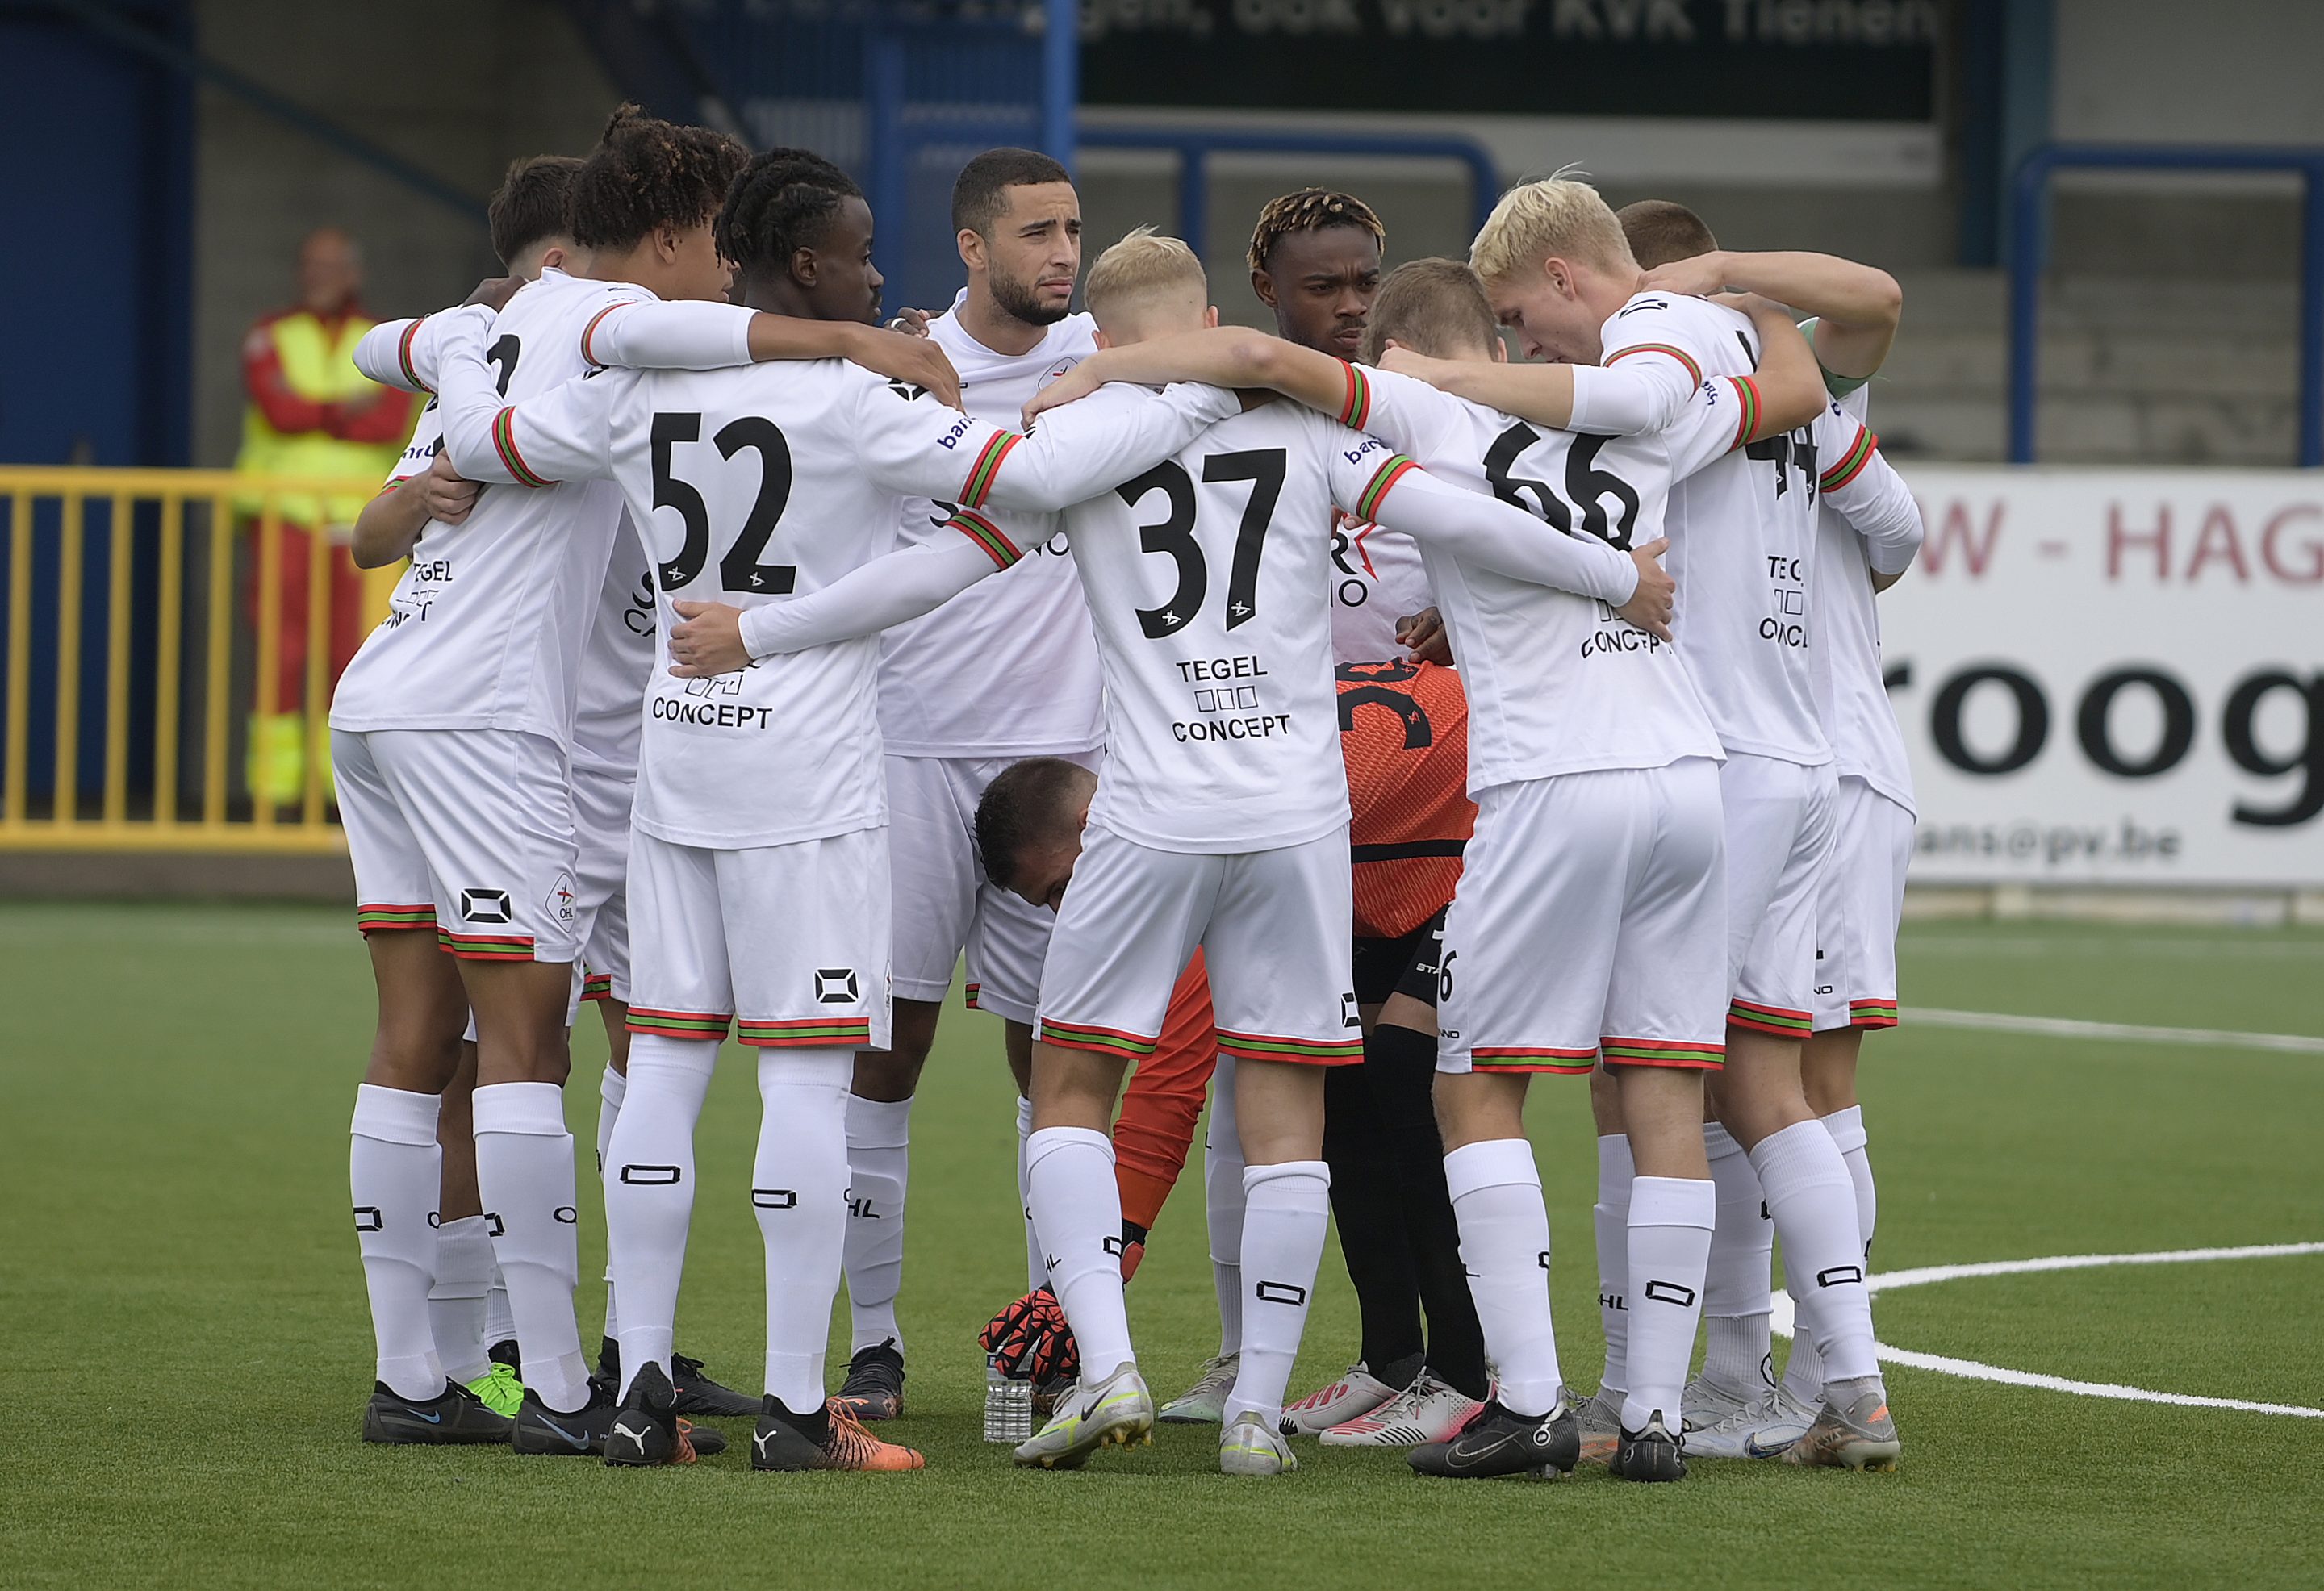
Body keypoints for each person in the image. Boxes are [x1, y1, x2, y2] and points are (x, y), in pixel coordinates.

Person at [697, 227, 1673, 1476]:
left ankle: (1105, 1368)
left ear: (1104, 344)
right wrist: (1613, 577)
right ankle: (1257, 1415)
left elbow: (925, 576)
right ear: (1207, 316)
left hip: (1151, 811)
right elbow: (1465, 521)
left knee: (1070, 1090)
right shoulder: (1310, 433)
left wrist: (760, 631)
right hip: (1296, 817)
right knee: (1284, 1109)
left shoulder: (1078, 453)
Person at [423, 155, 1244, 1471]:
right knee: (808, 1069)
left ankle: (638, 1393)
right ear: (799, 265)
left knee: (669, 1062)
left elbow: (486, 444)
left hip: (675, 758)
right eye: (860, 257)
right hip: (807, 774)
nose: (877, 281)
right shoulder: (851, 398)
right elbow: (1023, 485)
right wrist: (1192, 394)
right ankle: (804, 1411)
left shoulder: (634, 388)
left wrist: (460, 344)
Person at [1015, 254, 1832, 1482]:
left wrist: (1091, 369)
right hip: (1687, 776)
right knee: (1663, 1089)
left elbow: (1260, 368)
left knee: (1468, 1092)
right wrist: (1734, 299)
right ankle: (1657, 1416)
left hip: (1534, 785)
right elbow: (1798, 392)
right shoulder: (1651, 416)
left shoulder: (1416, 415)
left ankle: (1530, 1400)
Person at [1408, 175, 1916, 1470]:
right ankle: (1817, 1378)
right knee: (1763, 1078)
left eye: (1528, 320)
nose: (1528, 347)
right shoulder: (1759, 362)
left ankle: (1698, 1384)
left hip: (1718, 745)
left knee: (1668, 1085)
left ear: (1582, 281)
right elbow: (1853, 441)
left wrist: (1458, 386)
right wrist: (1736, 286)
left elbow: (1619, 423)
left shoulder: (1651, 373)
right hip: (1808, 755)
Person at [330, 106, 750, 1452]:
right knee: (521, 1048)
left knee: (469, 1041)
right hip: (511, 734)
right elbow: (375, 515)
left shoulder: (484, 344)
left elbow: (372, 346)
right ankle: (546, 1382)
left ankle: (471, 1370)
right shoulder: (592, 348)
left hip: (450, 715)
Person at [826, 148, 1224, 1425]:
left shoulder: (1113, 366)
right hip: (910, 748)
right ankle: (873, 1347)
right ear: (971, 246)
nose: (1062, 252)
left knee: (1057, 1062)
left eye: (1073, 230)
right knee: (884, 1054)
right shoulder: (898, 365)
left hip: (1062, 764)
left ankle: (1041, 1342)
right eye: (1037, 233)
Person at [1611, 202, 1917, 1450]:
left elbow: (1896, 532)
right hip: (1835, 763)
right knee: (1774, 1080)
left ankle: (1796, 1379)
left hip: (1801, 763)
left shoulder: (1716, 392)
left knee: (1757, 1079)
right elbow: (1898, 539)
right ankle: (1774, 1375)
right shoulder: (1810, 404)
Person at [236, 227, 416, 804]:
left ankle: (339, 797)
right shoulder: (270, 334)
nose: (320, 275)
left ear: (354, 274)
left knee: (355, 657)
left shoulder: (384, 338)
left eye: (332, 265)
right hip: (282, 514)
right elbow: (278, 409)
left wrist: (313, 406)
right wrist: (345, 406)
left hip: (365, 526)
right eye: (311, 264)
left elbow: (387, 420)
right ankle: (274, 794)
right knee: (278, 655)